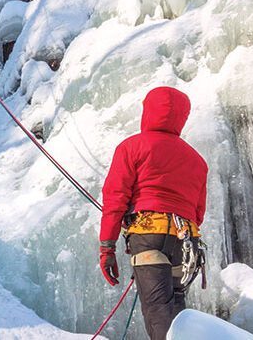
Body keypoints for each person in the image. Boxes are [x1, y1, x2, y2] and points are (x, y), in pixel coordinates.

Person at [98, 86, 208, 340]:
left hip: (148, 235)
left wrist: (107, 248)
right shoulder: (197, 160)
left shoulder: (132, 147)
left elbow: (115, 198)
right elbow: (197, 213)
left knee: (158, 309)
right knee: (176, 308)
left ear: (148, 111)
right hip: (186, 241)